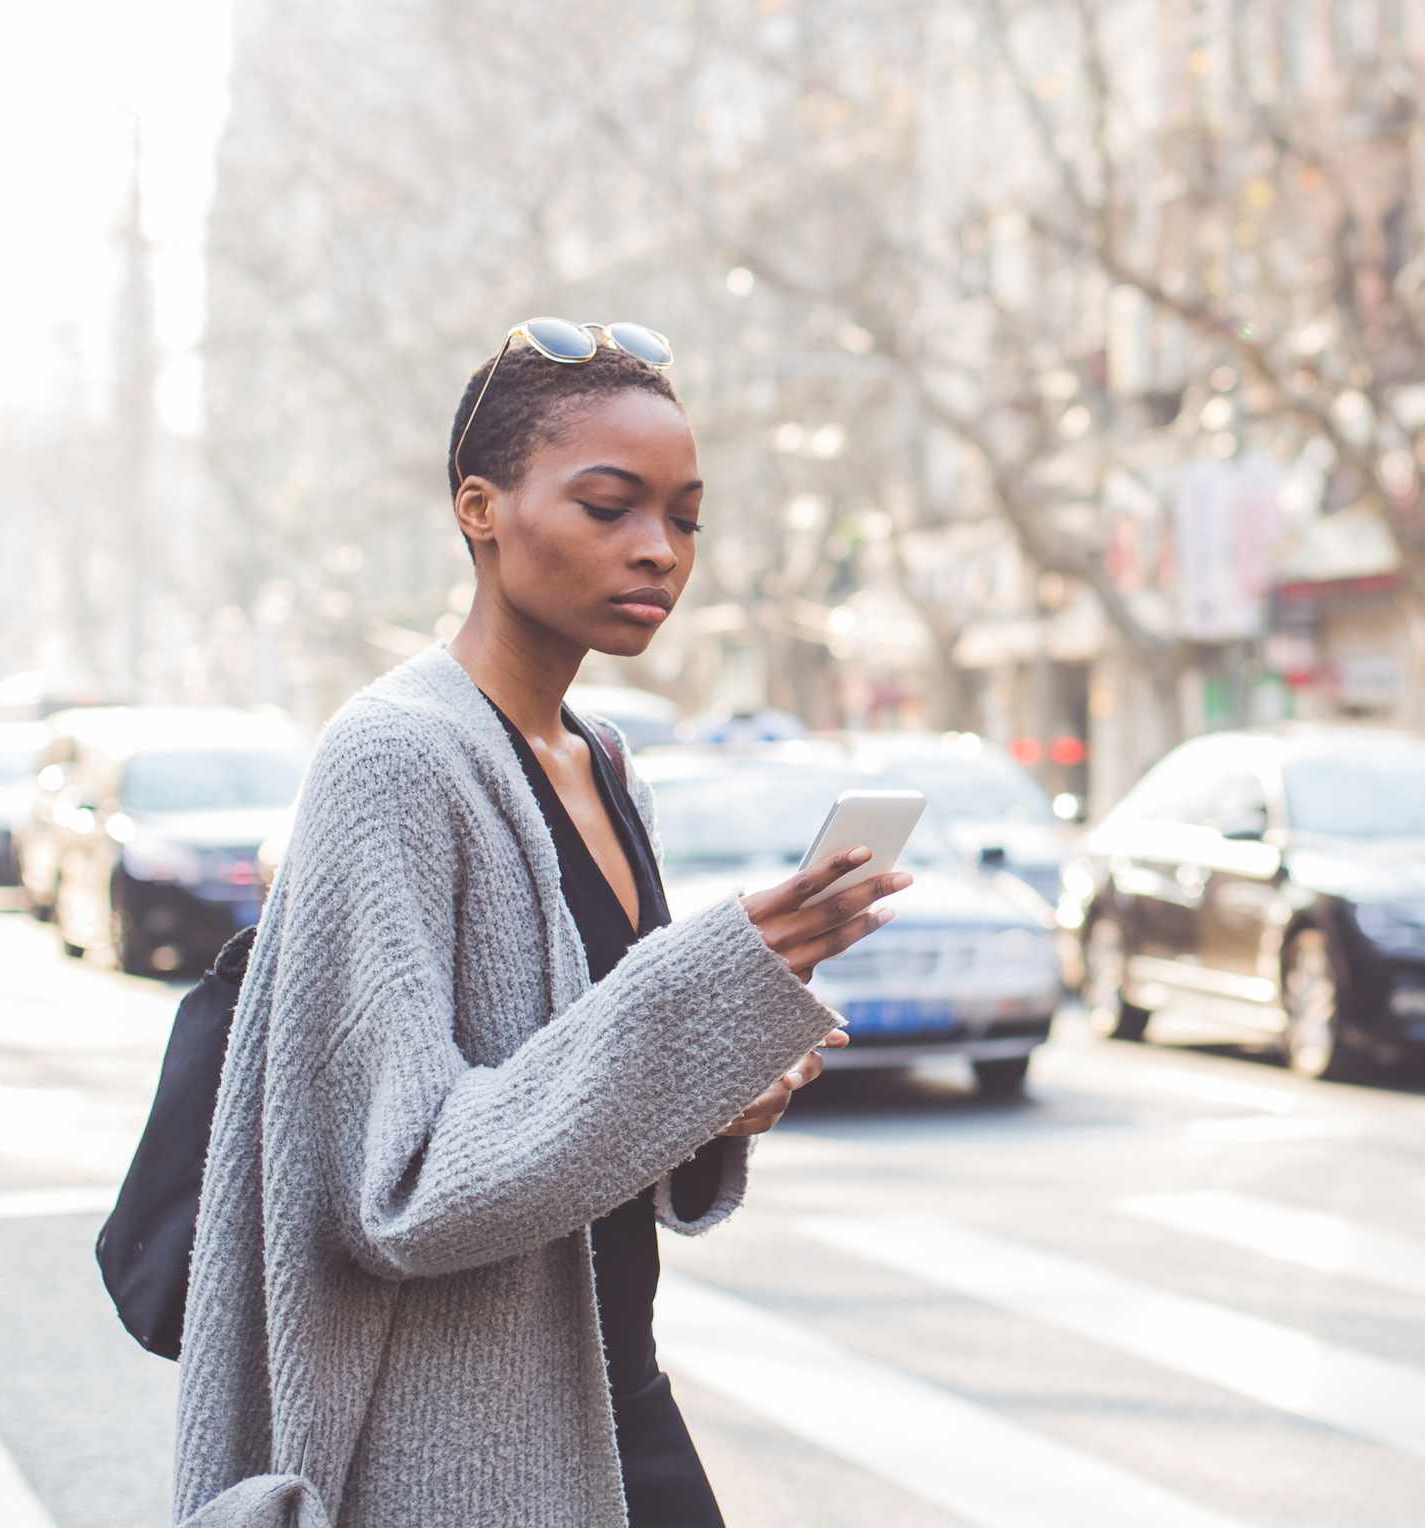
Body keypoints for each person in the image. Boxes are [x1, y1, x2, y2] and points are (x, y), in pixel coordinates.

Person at [172, 318, 912, 1528]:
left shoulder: (607, 760)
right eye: (609, 506)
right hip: (459, 1446)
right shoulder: (394, 758)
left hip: (618, 1393)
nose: (657, 552)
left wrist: (716, 1091)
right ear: (480, 507)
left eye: (684, 519)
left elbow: (580, 1094)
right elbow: (404, 1183)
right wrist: (705, 991)